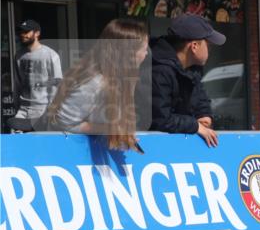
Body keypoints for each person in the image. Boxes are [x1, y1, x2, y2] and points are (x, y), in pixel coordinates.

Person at [46, 19, 148, 152]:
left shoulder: (120, 78)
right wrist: (110, 129)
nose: (146, 54)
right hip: (67, 156)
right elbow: (63, 123)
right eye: (144, 49)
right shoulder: (95, 82)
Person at [149, 14, 224, 147]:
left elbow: (201, 98)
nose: (210, 49)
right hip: (153, 151)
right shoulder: (160, 70)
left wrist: (205, 116)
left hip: (176, 148)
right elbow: (160, 119)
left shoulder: (192, 68)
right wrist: (195, 126)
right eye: (208, 45)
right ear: (194, 46)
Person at [12, 19, 62, 130]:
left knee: (40, 144)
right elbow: (17, 83)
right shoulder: (19, 55)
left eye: (27, 32)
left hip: (42, 110)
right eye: (21, 32)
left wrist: (50, 112)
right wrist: (17, 106)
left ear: (37, 33)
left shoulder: (50, 55)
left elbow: (57, 85)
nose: (23, 34)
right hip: (23, 110)